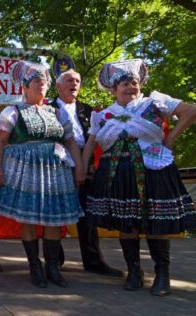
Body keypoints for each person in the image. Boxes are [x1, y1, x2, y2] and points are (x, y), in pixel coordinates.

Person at [83, 59, 196, 296]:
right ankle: (134, 270)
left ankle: (162, 274)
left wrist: (169, 140)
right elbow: (91, 144)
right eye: (124, 83)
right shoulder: (102, 115)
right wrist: (81, 170)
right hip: (117, 172)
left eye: (134, 82)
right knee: (127, 222)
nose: (131, 87)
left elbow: (191, 111)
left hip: (152, 168)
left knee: (155, 221)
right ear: (113, 89)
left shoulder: (154, 102)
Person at [0, 60, 85, 288]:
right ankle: (35, 265)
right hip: (25, 171)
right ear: (24, 86)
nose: (41, 85)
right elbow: (0, 142)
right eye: (36, 81)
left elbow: (70, 141)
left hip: (56, 171)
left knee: (54, 218)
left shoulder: (57, 112)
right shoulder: (12, 111)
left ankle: (52, 267)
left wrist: (80, 167)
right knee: (29, 218)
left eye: (44, 82)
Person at [50, 69, 122, 276]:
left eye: (78, 81)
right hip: (57, 161)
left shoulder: (89, 110)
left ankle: (93, 261)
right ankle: (55, 261)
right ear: (58, 86)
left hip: (86, 161)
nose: (74, 84)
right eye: (70, 80)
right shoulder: (47, 108)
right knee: (56, 213)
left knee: (88, 215)